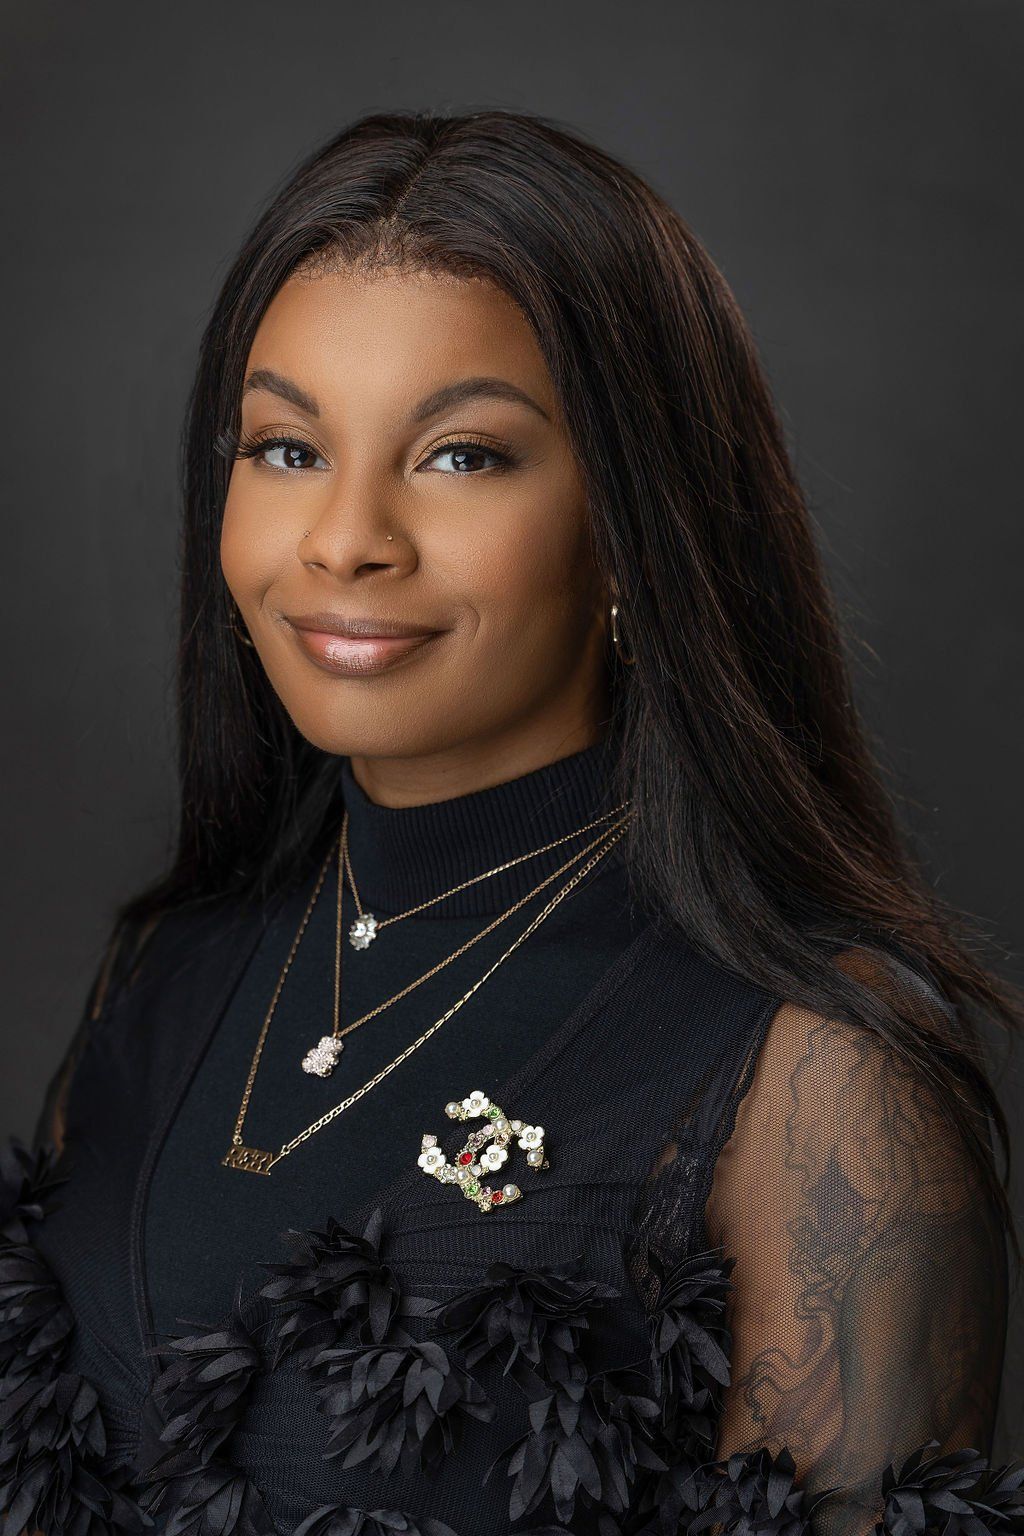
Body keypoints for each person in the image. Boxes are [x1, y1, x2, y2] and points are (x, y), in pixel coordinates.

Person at [1, 108, 1021, 1536]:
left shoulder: (818, 1075)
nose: (344, 538)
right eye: (287, 448)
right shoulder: (163, 970)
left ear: (633, 522)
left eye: (462, 457)